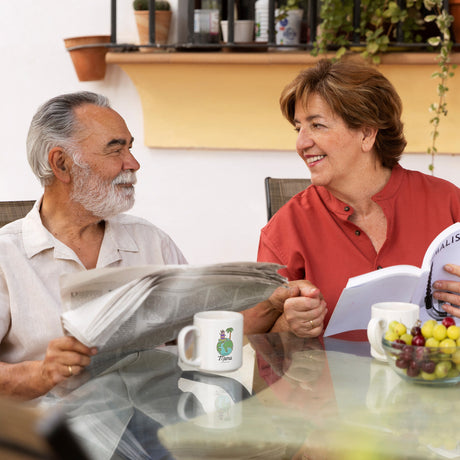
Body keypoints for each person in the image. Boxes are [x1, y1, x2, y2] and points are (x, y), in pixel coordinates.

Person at [244, 56, 460, 339]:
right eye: (299, 128)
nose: (301, 143)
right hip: (333, 383)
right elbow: (257, 347)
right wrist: (289, 324)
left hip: (435, 379)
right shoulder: (286, 228)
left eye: (317, 125)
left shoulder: (448, 203)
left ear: (367, 133)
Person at [0, 91, 187, 400]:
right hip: (51, 435)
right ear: (61, 164)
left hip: (156, 426)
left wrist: (273, 305)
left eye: (130, 147)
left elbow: (205, 327)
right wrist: (43, 373)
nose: (134, 163)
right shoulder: (7, 257)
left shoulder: (150, 241)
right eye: (116, 150)